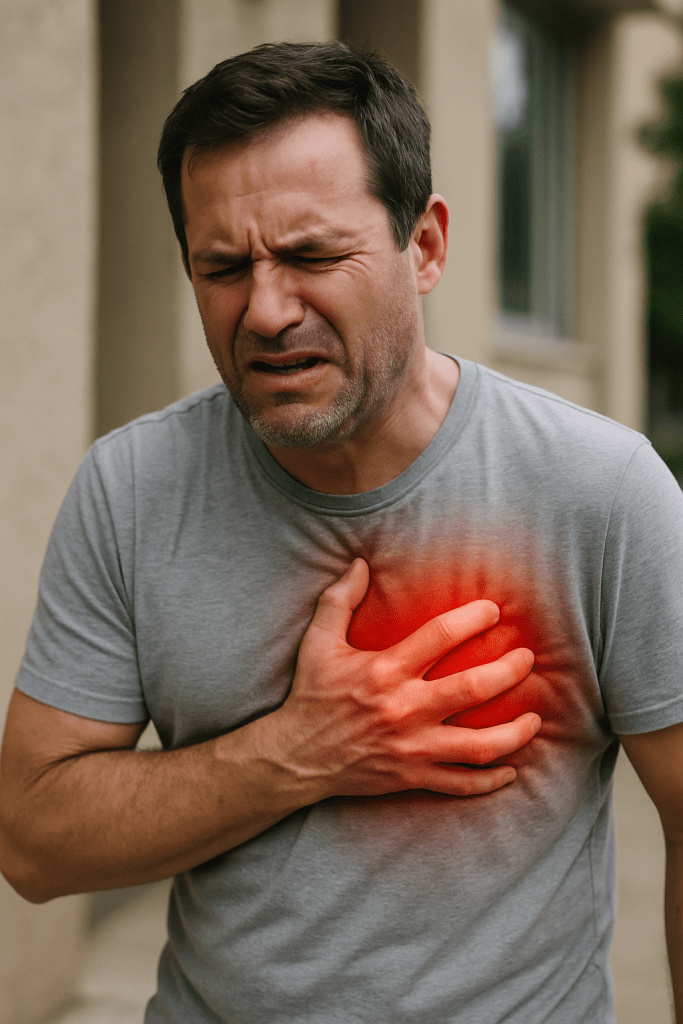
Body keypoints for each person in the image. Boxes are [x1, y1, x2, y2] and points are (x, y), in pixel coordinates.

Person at [1, 41, 682, 1024]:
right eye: (221, 267)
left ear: (427, 246)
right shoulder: (132, 488)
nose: (265, 310)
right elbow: (32, 842)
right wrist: (300, 751)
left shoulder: (599, 489)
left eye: (312, 255)